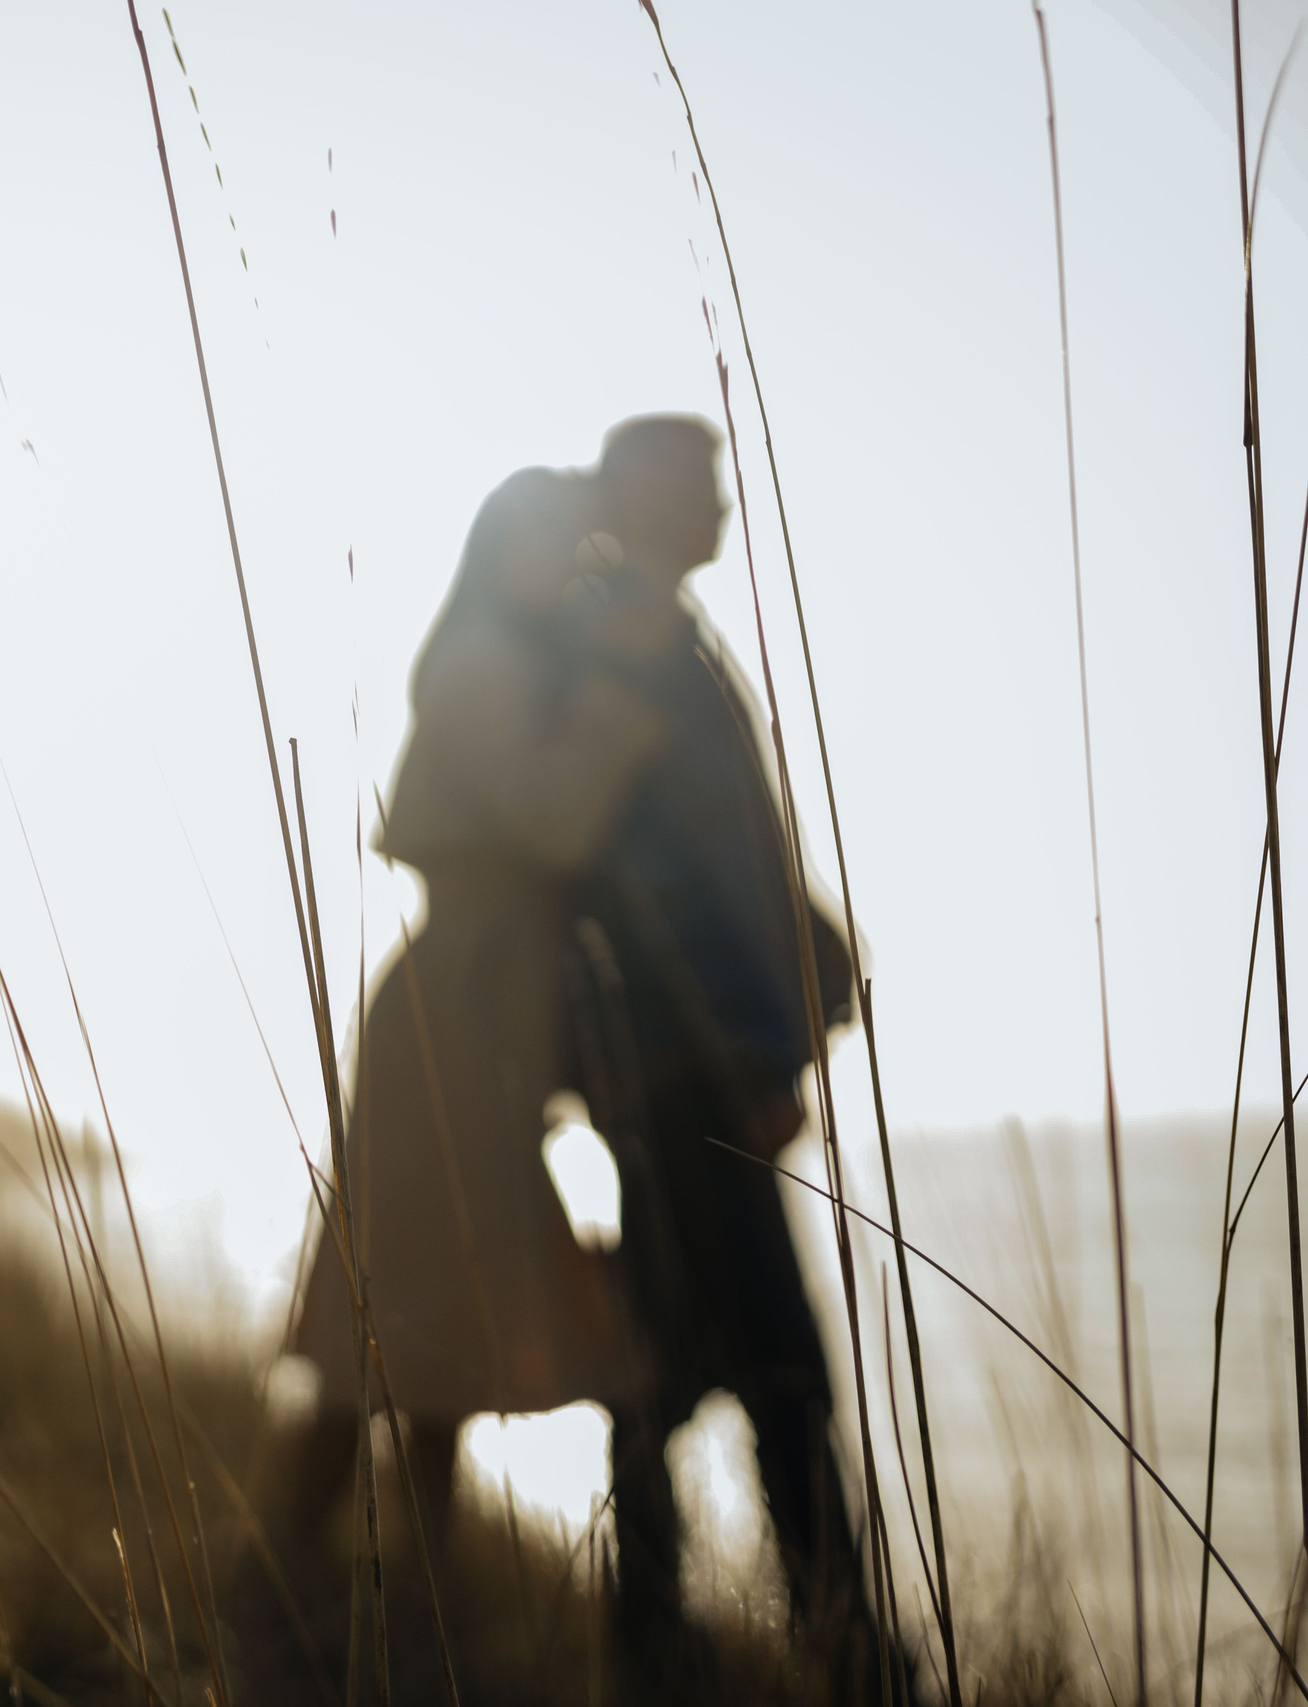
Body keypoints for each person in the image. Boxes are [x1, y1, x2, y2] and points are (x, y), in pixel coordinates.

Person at [279, 462, 669, 1551]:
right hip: (459, 1003)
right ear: (498, 551)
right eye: (540, 539)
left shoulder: (526, 657)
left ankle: (391, 1580)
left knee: (435, 1292)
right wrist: (616, 703)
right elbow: (552, 823)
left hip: (493, 1000)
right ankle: (299, 1571)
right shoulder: (484, 662)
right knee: (402, 1285)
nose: (564, 560)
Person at [555, 415, 877, 1684]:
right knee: (777, 1372)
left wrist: (818, 965)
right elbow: (654, 886)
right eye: (703, 487)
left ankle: (663, 1640)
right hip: (688, 1074)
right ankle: (834, 1645)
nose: (727, 508)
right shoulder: (627, 646)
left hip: (683, 1068)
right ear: (641, 502)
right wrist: (752, 1056)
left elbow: (725, 860)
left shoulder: (657, 638)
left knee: (680, 1359)